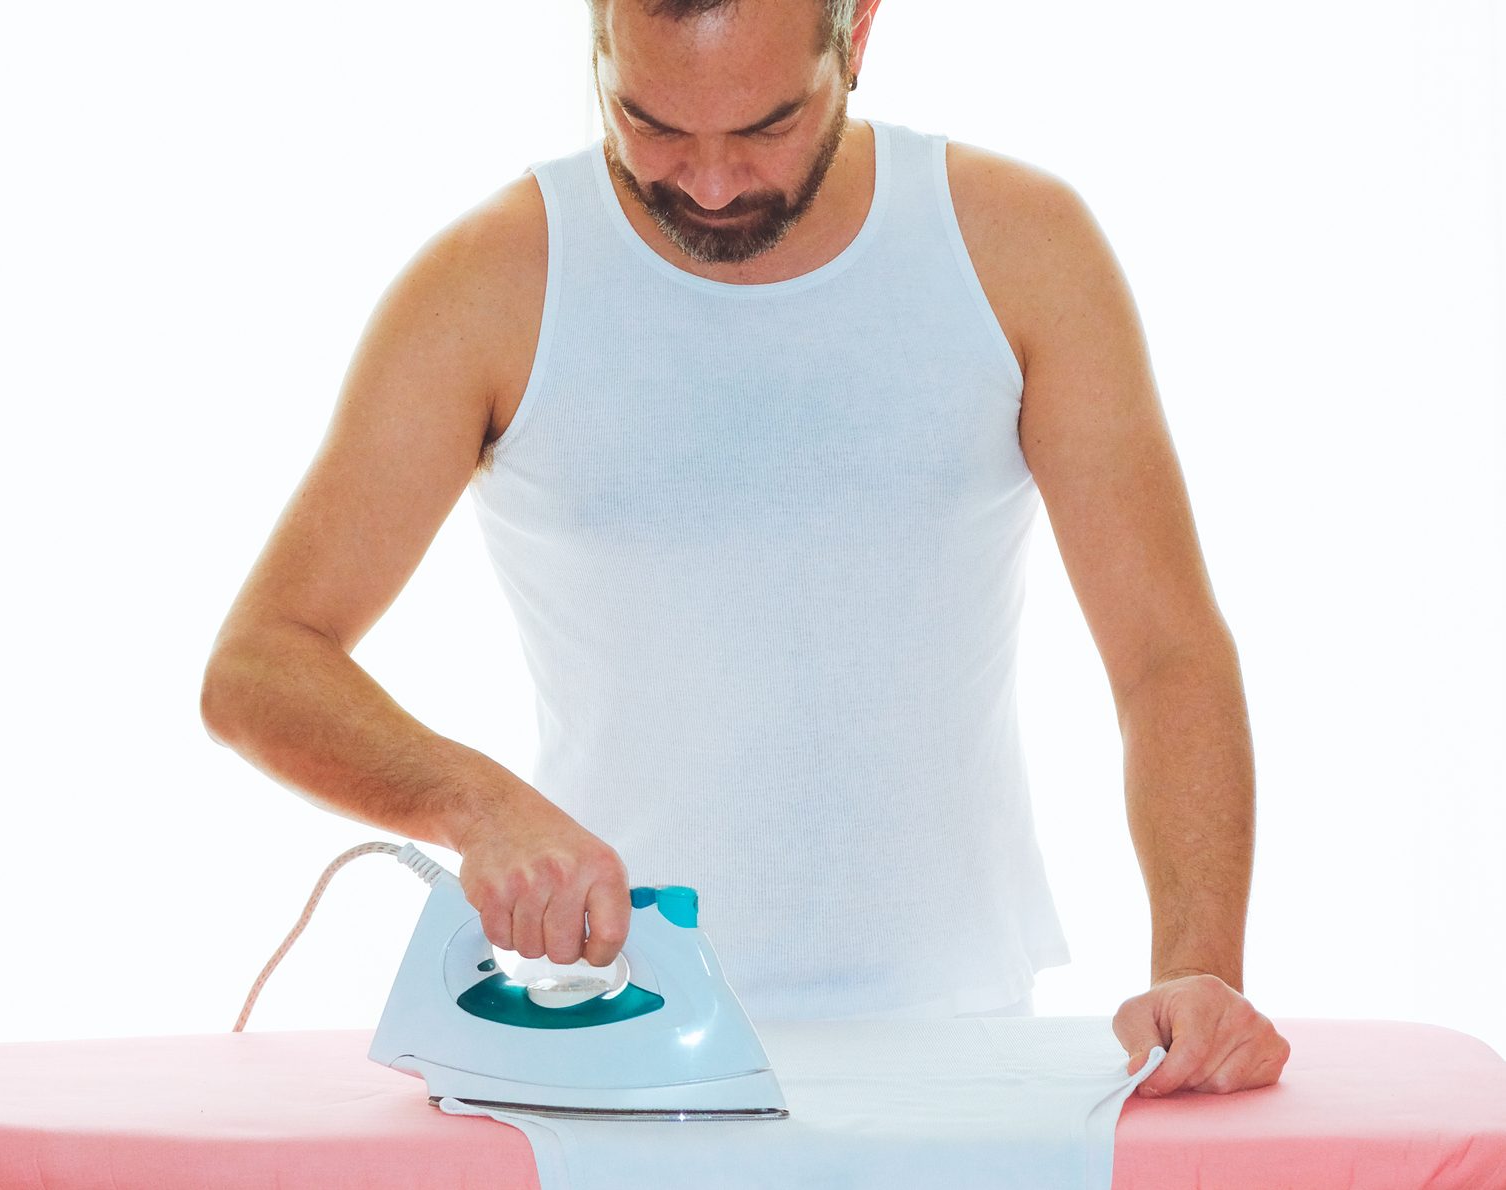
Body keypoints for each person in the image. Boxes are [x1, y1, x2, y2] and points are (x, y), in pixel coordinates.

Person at [200, 0, 1289, 1097]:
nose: (709, 185)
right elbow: (259, 661)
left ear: (855, 38)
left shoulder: (1019, 249)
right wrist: (475, 804)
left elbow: (1164, 654)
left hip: (957, 1045)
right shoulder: (489, 285)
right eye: (650, 123)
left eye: (766, 127)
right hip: (605, 1050)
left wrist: (1199, 972)